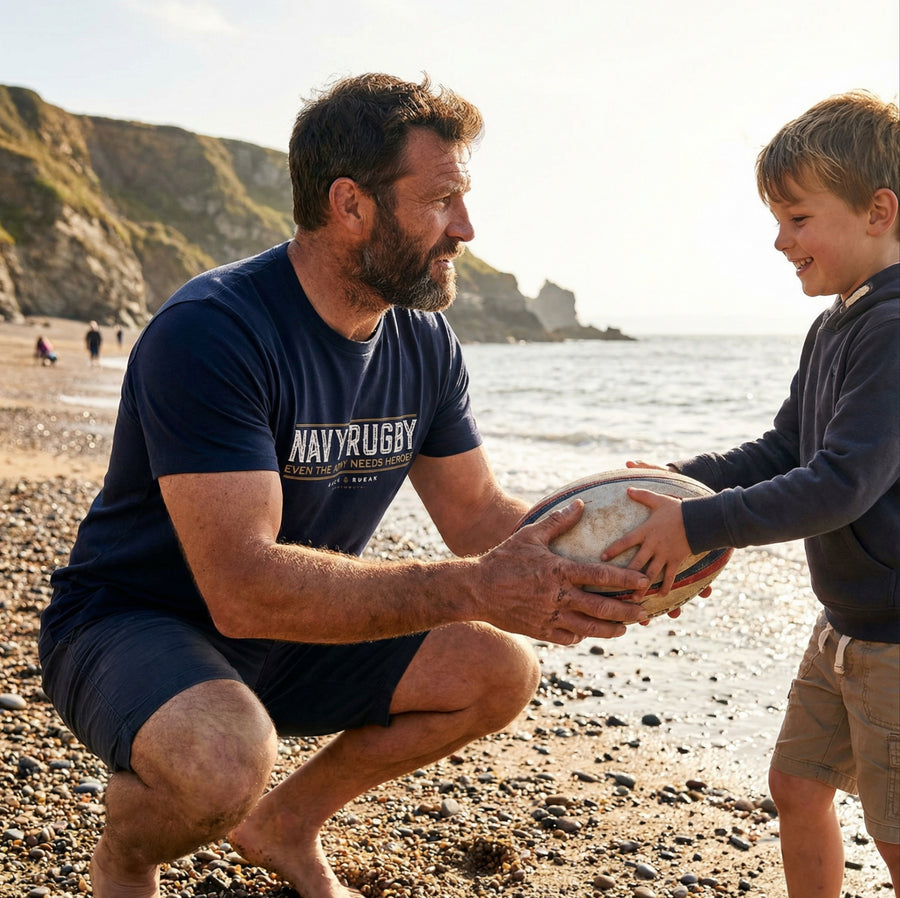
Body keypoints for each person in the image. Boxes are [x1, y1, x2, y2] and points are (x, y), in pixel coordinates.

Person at [39, 73, 654, 898]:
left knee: (498, 671)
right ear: (351, 204)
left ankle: (287, 824)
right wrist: (475, 586)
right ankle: (126, 854)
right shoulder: (214, 331)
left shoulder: (425, 345)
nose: (465, 228)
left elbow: (479, 516)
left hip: (292, 634)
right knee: (223, 760)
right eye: (441, 200)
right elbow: (244, 589)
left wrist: (633, 539)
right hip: (132, 625)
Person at [602, 91, 899, 897]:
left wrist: (698, 523)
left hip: (897, 645)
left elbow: (840, 483)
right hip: (843, 627)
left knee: (897, 829)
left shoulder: (895, 327)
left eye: (798, 218)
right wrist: (680, 482)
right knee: (797, 784)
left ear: (879, 211)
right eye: (777, 219)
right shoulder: (837, 321)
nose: (780, 240)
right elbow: (782, 451)